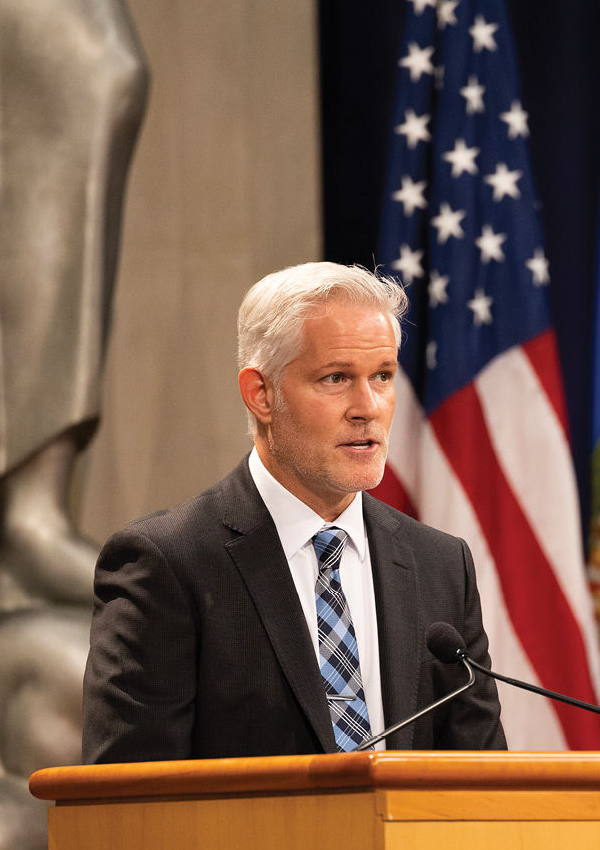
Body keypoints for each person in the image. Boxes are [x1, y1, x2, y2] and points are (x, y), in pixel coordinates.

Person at [82, 263, 505, 761]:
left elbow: (483, 784)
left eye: (382, 376)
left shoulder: (440, 566)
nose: (367, 406)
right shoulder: (167, 564)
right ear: (261, 394)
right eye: (336, 378)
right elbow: (129, 799)